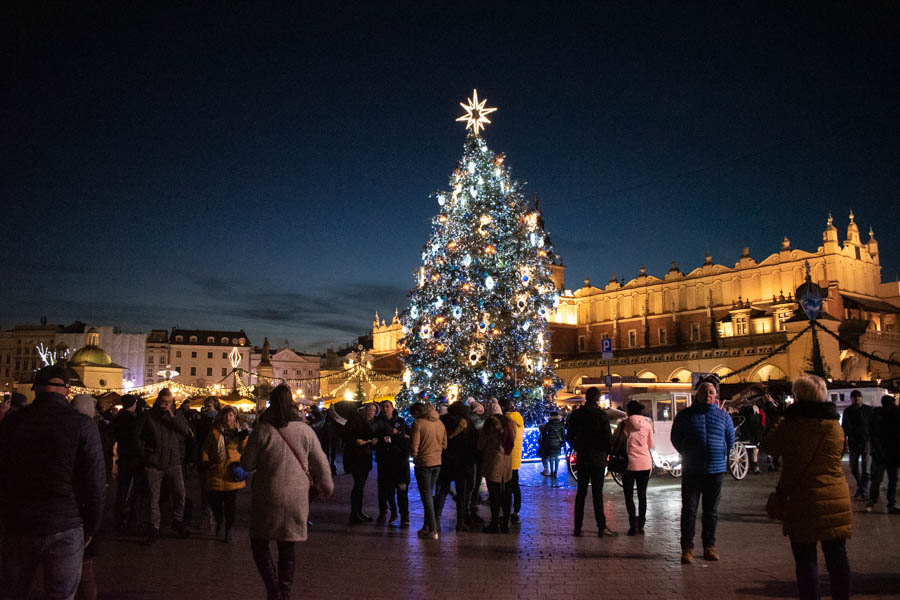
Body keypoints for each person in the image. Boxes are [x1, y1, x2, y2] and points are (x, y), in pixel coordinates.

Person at [0, 365, 106, 600]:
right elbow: (95, 481)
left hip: (20, 520)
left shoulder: (13, 422)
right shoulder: (82, 424)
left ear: (35, 389)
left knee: (12, 592)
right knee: (60, 594)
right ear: (66, 391)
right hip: (65, 521)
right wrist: (93, 526)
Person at [760, 375, 852, 600]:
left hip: (803, 499)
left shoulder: (793, 425)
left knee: (806, 561)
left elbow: (768, 445)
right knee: (837, 560)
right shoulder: (834, 425)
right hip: (836, 496)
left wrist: (785, 416)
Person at [241, 385, 333, 600]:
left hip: (268, 492)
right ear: (292, 402)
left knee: (259, 541)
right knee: (287, 545)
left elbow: (247, 463)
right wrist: (327, 485)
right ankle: (285, 590)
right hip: (296, 495)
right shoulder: (305, 430)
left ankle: (273, 589)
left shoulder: (263, 429)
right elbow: (321, 462)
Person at [670, 376, 734, 564]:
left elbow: (730, 440)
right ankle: (687, 549)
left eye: (711, 392)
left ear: (715, 396)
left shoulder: (723, 416)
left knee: (710, 511)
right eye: (704, 392)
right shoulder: (685, 416)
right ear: (697, 395)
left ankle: (709, 546)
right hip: (692, 469)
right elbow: (676, 438)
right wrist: (687, 452)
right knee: (689, 510)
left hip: (715, 470)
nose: (708, 395)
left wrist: (720, 452)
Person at [135, 388, 193, 544]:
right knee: (153, 498)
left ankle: (177, 520)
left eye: (169, 402)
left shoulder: (177, 415)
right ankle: (154, 528)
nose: (166, 405)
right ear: (158, 401)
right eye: (163, 402)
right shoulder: (148, 416)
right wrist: (146, 455)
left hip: (173, 461)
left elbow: (186, 431)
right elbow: (138, 437)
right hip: (154, 463)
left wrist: (172, 416)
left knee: (180, 493)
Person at [566, 386, 617, 537]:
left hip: (582, 457)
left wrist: (578, 447)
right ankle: (601, 527)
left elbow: (569, 436)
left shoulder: (577, 414)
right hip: (598, 458)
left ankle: (577, 527)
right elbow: (608, 438)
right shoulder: (601, 415)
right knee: (597, 493)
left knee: (581, 492)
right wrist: (607, 452)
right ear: (597, 398)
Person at [201, 405, 249, 542]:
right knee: (214, 501)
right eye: (226, 415)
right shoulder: (215, 432)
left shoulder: (239, 432)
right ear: (222, 416)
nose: (229, 418)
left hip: (231, 472)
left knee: (230, 504)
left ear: (235, 417)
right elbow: (205, 448)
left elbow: (245, 450)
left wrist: (244, 438)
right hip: (216, 470)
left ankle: (228, 529)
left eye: (231, 415)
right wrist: (205, 461)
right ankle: (220, 520)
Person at [434, 401, 478, 532]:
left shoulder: (442, 422)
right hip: (463, 463)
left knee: (442, 491)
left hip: (446, 461)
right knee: (462, 494)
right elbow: (473, 443)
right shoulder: (467, 423)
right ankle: (460, 522)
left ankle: (436, 520)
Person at [615, 400, 654, 536]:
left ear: (629, 411)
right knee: (642, 495)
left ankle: (632, 526)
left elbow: (616, 441)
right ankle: (641, 526)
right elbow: (650, 445)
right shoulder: (648, 425)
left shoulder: (623, 424)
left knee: (629, 495)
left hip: (628, 464)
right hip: (645, 463)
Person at [409, 401, 447, 539]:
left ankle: (432, 529)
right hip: (437, 462)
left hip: (423, 463)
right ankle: (427, 527)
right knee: (429, 495)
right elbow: (445, 444)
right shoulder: (440, 423)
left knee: (426, 497)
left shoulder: (418, 424)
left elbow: (414, 447)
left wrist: (414, 455)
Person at [477, 406, 516, 533]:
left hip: (493, 461)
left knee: (494, 494)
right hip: (507, 462)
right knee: (507, 493)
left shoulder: (490, 424)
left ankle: (494, 523)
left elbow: (481, 444)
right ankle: (506, 522)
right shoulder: (510, 424)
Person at [373, 399, 410, 525]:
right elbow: (375, 437)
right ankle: (385, 512)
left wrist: (397, 435)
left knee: (401, 489)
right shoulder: (378, 422)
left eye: (387, 406)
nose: (385, 409)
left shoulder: (400, 422)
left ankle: (404, 515)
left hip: (399, 461)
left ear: (393, 408)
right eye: (383, 407)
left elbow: (407, 438)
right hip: (384, 460)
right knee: (384, 489)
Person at [343, 402, 379, 523]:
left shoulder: (372, 422)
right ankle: (355, 513)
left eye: (374, 411)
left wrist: (374, 441)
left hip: (365, 457)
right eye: (370, 410)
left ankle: (358, 512)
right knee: (358, 485)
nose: (371, 412)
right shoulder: (356, 420)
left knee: (360, 486)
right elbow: (348, 435)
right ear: (365, 410)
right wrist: (356, 441)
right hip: (356, 457)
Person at [112, 394, 142, 530]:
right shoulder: (133, 420)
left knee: (122, 488)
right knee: (133, 489)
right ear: (133, 404)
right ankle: (130, 518)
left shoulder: (118, 418)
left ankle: (119, 517)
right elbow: (136, 439)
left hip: (123, 456)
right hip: (134, 457)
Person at [866, 395, 899, 514]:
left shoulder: (876, 415)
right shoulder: (895, 414)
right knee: (892, 479)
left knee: (877, 478)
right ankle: (890, 504)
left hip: (880, 453)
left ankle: (872, 501)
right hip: (892, 453)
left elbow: (873, 435)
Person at [842, 389, 872, 500]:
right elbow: (844, 427)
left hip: (866, 441)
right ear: (852, 399)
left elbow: (872, 426)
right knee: (853, 467)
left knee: (866, 468)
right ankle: (862, 488)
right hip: (854, 442)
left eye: (858, 397)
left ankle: (863, 490)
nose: (857, 399)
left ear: (861, 398)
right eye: (855, 397)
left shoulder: (868, 410)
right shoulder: (848, 411)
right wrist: (844, 442)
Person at [500, 398, 524, 524]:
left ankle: (506, 514)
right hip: (516, 458)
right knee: (515, 485)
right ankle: (516, 511)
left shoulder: (506, 421)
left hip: (507, 457)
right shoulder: (519, 419)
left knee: (507, 487)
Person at [543, 410, 566, 478]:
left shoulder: (549, 424)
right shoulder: (561, 424)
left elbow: (545, 432)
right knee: (556, 457)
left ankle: (552, 472)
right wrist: (563, 442)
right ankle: (555, 472)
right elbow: (563, 434)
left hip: (550, 442)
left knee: (551, 457)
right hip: (558, 443)